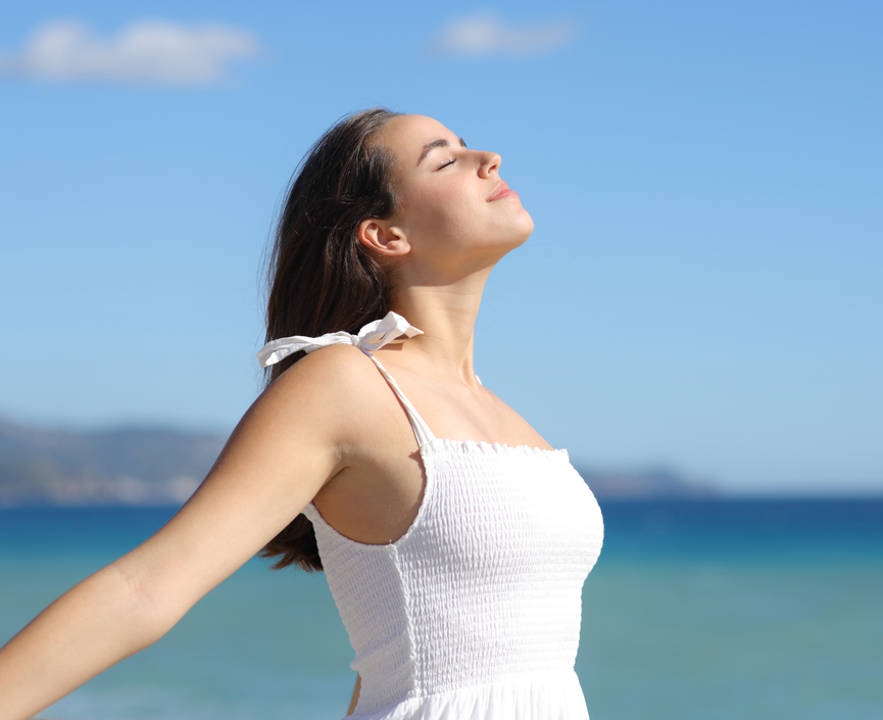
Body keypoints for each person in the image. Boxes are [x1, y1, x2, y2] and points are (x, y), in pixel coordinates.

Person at [0, 108, 605, 719]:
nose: (488, 159)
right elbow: (145, 588)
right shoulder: (344, 382)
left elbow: (405, 664)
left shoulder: (502, 414)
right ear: (385, 235)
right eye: (445, 159)